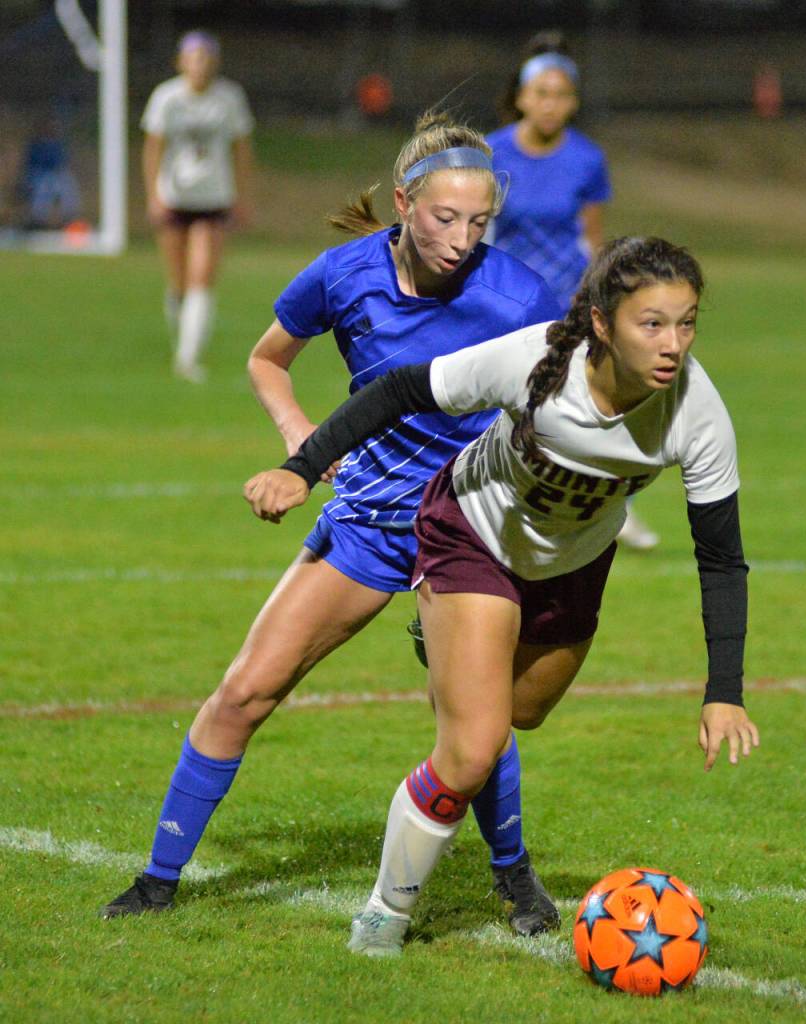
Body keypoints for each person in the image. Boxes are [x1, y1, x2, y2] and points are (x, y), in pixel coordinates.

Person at [100, 111, 565, 938]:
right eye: (445, 218)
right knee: (244, 691)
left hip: (463, 532)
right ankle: (158, 880)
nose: (463, 239)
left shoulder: (520, 297)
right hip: (367, 526)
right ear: (402, 203)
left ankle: (515, 878)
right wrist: (297, 448)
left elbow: (561, 408)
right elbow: (266, 358)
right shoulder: (344, 274)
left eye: (480, 222)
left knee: (474, 722)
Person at [245, 236, 761, 957]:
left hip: (573, 566)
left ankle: (451, 652)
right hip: (472, 535)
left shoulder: (697, 414)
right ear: (604, 325)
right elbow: (399, 390)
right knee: (473, 748)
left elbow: (721, 559)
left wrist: (724, 690)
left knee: (524, 712)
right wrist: (302, 467)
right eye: (652, 323)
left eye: (687, 322)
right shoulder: (533, 361)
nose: (673, 343)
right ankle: (382, 920)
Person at [488, 31, 658, 549]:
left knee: (587, 404)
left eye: (561, 94)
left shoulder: (586, 159)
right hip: (506, 299)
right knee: (498, 405)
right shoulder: (490, 152)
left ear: (574, 102)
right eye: (541, 92)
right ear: (520, 96)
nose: (550, 104)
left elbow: (591, 238)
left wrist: (599, 299)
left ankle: (611, 507)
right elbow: (480, 230)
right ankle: (491, 504)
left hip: (566, 298)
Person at [141, 31, 254, 382]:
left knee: (201, 277)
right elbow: (152, 148)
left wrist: (243, 195)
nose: (200, 65)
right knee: (178, 282)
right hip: (175, 196)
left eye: (206, 57)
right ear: (181, 62)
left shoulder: (229, 98)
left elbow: (241, 148)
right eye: (194, 57)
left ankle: (188, 358)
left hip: (213, 198)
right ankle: (182, 339)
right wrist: (153, 195)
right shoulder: (167, 97)